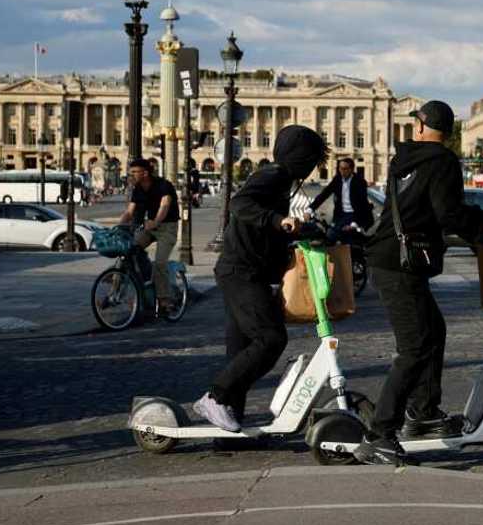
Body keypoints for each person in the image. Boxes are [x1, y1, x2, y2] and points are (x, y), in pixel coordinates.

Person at [356, 100, 483, 465]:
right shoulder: (442, 161)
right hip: (398, 263)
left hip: (392, 258)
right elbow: (447, 214)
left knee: (432, 331)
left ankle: (423, 413)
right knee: (415, 347)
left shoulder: (405, 160)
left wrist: (482, 215)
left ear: (421, 127)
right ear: (448, 132)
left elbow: (426, 207)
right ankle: (380, 432)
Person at [193, 125, 328, 433]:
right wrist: (279, 220)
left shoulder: (283, 182)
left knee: (240, 351)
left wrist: (308, 231)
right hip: (241, 272)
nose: (311, 168)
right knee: (270, 338)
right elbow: (241, 205)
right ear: (301, 158)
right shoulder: (273, 175)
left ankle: (228, 424)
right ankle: (215, 397)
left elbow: (272, 229)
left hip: (245, 270)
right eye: (311, 160)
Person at [118, 158, 180, 309]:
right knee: (127, 251)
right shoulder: (138, 188)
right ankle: (114, 293)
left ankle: (164, 299)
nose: (130, 175)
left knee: (160, 262)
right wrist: (118, 226)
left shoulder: (163, 185)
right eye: (130, 172)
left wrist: (156, 221)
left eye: (134, 172)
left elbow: (164, 205)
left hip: (167, 227)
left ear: (145, 173)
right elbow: (129, 211)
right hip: (149, 227)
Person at [309, 157, 373, 231]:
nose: (342, 171)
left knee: (341, 235)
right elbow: (324, 194)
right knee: (330, 233)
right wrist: (310, 208)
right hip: (341, 215)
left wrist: (355, 223)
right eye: (340, 168)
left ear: (351, 169)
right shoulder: (337, 179)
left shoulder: (360, 181)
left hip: (355, 215)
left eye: (345, 169)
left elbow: (362, 204)